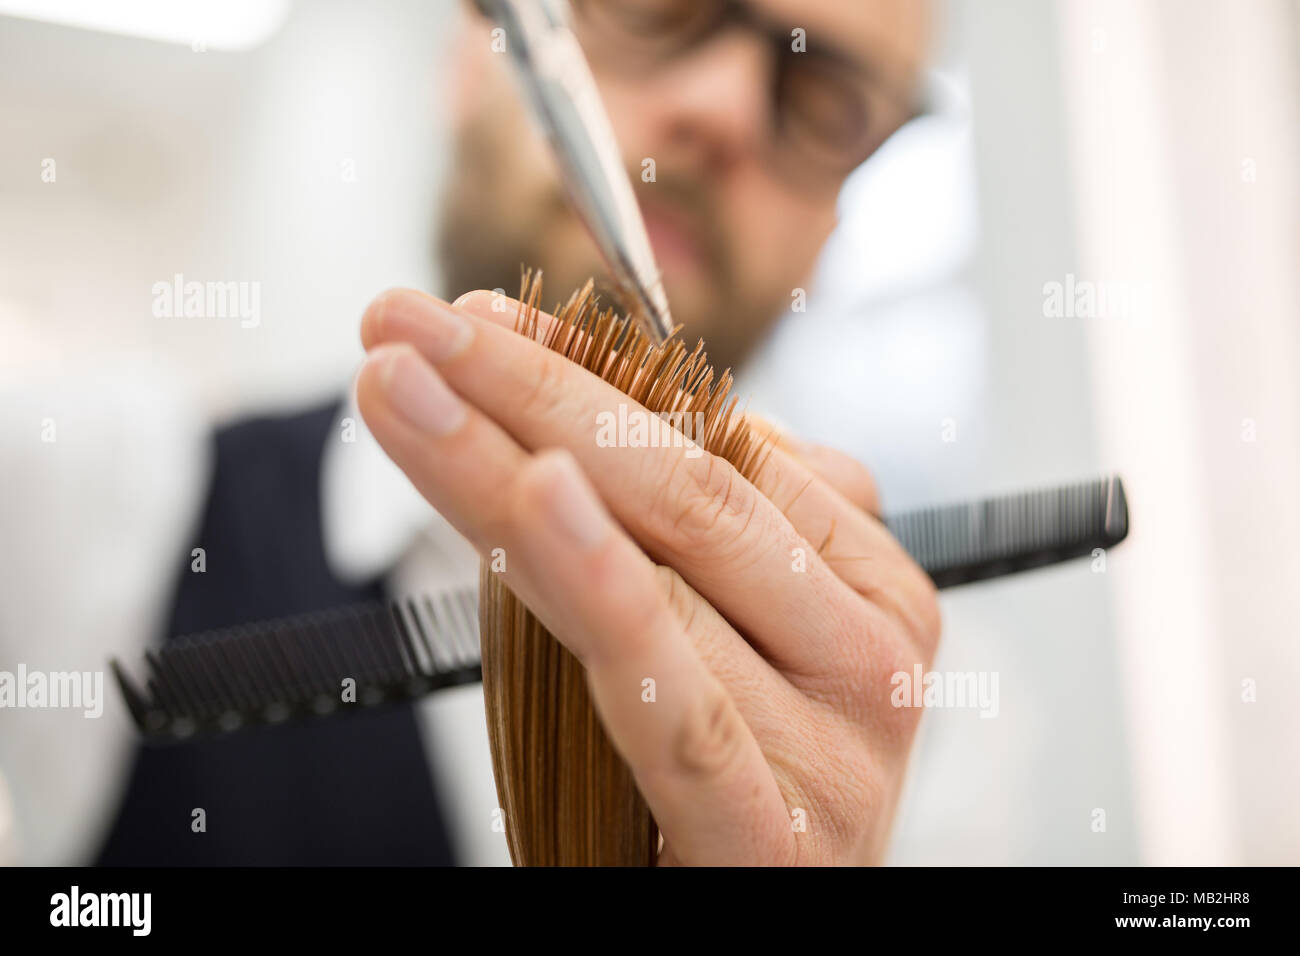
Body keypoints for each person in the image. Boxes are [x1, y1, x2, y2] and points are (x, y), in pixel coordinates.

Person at [93, 0, 938, 865]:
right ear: (473, 48)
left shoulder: (916, 732)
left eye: (828, 96)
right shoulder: (94, 515)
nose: (722, 108)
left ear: (834, 223)